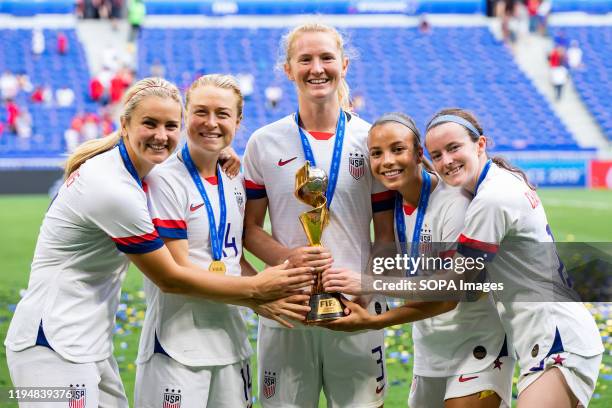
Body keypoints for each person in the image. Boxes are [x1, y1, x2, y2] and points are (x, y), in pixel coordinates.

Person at [4, 77, 314, 407]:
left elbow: (189, 167)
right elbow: (169, 277)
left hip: (87, 340)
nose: (161, 135)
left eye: (170, 125)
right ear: (125, 125)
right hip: (49, 340)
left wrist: (218, 149)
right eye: (149, 124)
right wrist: (256, 291)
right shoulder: (115, 189)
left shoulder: (141, 173)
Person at [243, 22, 395, 408]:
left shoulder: (372, 140)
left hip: (356, 306)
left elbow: (386, 235)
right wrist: (287, 260)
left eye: (326, 57)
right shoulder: (264, 142)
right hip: (288, 307)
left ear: (343, 64)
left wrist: (366, 281)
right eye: (305, 59)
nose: (317, 68)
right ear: (287, 70)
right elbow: (249, 230)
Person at [135, 74, 311, 407]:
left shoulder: (233, 177)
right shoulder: (164, 180)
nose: (211, 123)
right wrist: (257, 293)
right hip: (176, 347)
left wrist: (278, 289)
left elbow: (230, 258)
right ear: (186, 114)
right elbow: (177, 271)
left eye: (223, 114)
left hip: (231, 342)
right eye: (201, 112)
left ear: (238, 121)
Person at [321, 113, 513, 408]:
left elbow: (450, 295)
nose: (387, 161)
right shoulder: (391, 203)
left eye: (398, 150)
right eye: (376, 153)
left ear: (418, 154)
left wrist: (374, 317)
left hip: (478, 345)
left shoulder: (454, 203)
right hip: (429, 348)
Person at [423, 108, 603, 407]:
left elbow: (458, 283)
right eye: (437, 155)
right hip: (552, 337)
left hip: (557, 338)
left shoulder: (492, 198)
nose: (446, 161)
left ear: (480, 144)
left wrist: (370, 283)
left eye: (453, 148)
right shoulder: (498, 181)